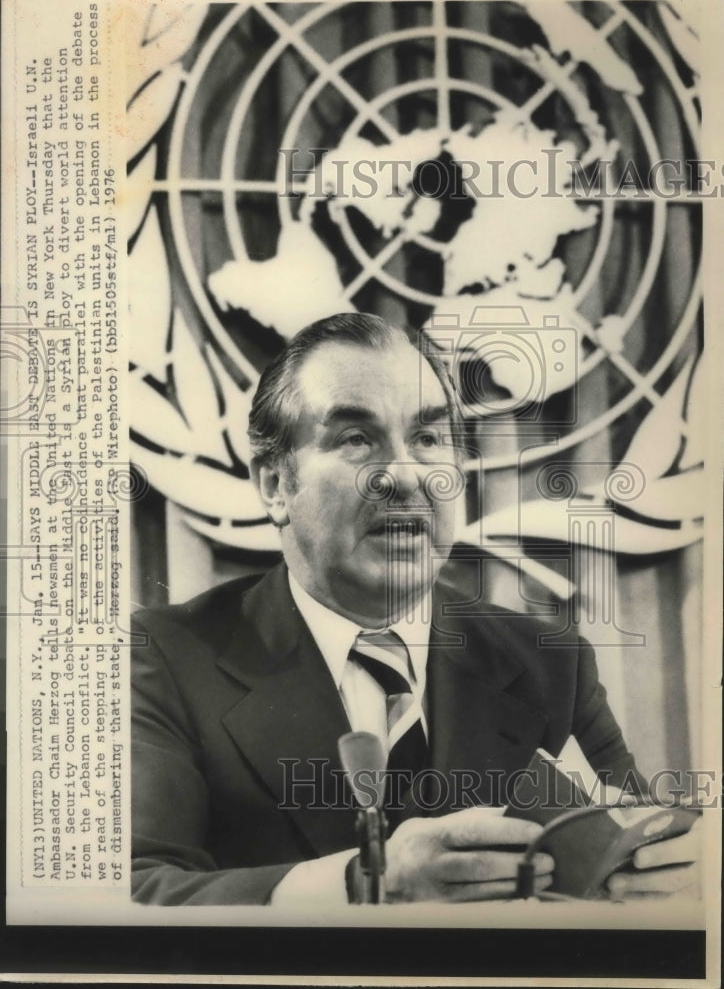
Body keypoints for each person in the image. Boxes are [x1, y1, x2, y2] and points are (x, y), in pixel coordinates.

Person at [131, 312, 699, 905]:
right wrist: (364, 886)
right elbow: (136, 891)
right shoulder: (167, 659)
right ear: (276, 484)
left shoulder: (551, 663)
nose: (404, 476)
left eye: (428, 439)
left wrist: (673, 871)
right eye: (356, 439)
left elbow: (633, 841)